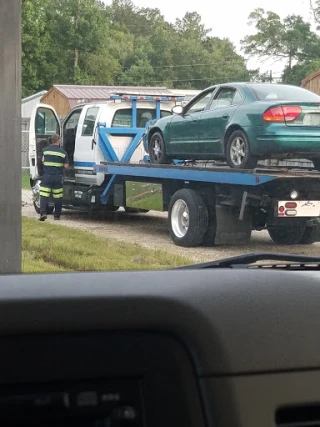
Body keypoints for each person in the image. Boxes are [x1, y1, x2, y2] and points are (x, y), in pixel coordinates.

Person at [39, 134, 69, 221]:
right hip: (57, 177)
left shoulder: (45, 150)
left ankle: (43, 213)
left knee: (44, 195)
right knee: (58, 196)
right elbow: (66, 166)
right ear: (58, 141)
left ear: (51, 141)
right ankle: (57, 216)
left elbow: (43, 161)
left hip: (47, 176)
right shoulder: (63, 153)